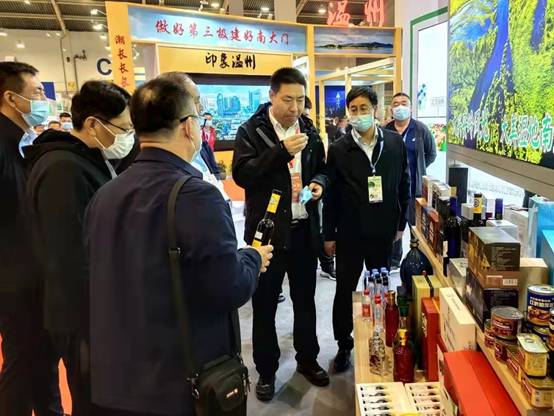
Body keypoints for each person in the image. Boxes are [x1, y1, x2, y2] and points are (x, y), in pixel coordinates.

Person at [85, 76, 272, 416]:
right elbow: (229, 288)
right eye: (198, 115)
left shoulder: (105, 194)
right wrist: (252, 258)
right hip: (178, 383)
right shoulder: (196, 195)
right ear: (188, 126)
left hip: (117, 380)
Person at [25, 80, 133, 416]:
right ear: (93, 124)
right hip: (81, 312)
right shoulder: (64, 169)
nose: (128, 137)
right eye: (124, 129)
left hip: (90, 307)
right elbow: (70, 254)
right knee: (93, 398)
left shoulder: (85, 159)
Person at [233, 67, 329, 402]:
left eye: (300, 100)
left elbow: (322, 169)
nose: (295, 107)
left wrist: (319, 183)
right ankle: (266, 370)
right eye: (288, 99)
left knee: (305, 301)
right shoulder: (251, 131)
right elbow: (243, 174)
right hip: (267, 236)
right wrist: (281, 152)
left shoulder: (309, 129)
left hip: (303, 231)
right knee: (264, 305)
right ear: (272, 96)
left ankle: (307, 359)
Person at [323, 86, 410, 373]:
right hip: (349, 233)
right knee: (345, 290)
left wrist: (401, 224)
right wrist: (329, 234)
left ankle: (378, 335)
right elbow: (331, 196)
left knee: (379, 287)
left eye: (363, 108)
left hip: (383, 231)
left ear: (375, 110)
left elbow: (404, 184)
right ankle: (344, 344)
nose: (358, 114)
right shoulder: (339, 148)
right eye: (353, 109)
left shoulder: (394, 143)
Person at [0, 61, 63, 416]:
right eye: (37, 92)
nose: (44, 100)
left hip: (35, 273)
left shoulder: (24, 142)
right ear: (11, 98)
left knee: (43, 358)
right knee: (22, 362)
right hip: (14, 279)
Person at [385, 92, 436, 267]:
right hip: (393, 190)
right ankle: (394, 261)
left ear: (411, 107)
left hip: (415, 190)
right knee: (394, 225)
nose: (400, 107)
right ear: (391, 109)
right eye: (396, 104)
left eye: (403, 103)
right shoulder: (385, 130)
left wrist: (419, 168)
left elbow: (431, 153)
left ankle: (417, 260)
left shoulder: (420, 129)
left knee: (416, 228)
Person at [302, 97, 336, 280]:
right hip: (282, 201)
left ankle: (327, 265)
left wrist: (319, 182)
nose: (303, 119)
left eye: (306, 115)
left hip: (309, 192)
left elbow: (323, 169)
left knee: (318, 230)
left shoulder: (312, 134)